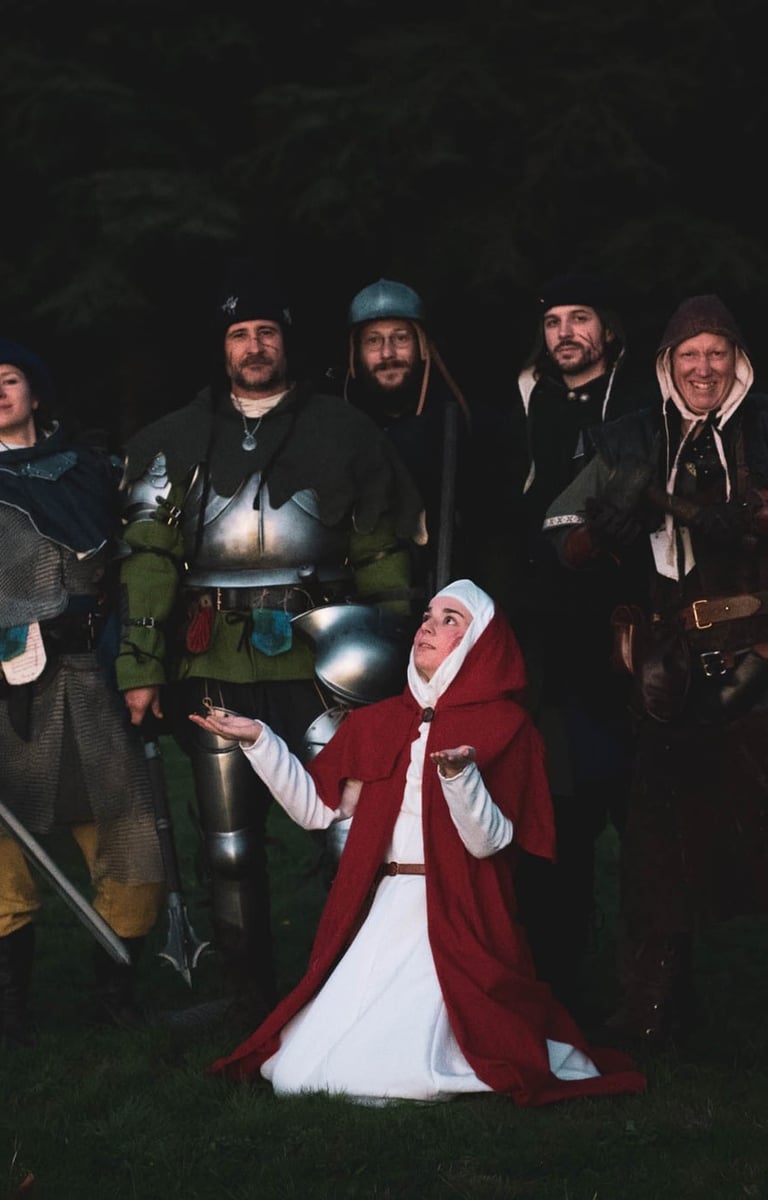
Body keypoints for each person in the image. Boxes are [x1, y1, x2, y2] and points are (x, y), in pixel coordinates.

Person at [190, 579, 645, 1105]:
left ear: (480, 645)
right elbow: (316, 810)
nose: (428, 626)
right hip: (384, 912)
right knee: (296, 1072)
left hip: (456, 914)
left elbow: (489, 843)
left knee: (377, 1069)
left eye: (451, 620)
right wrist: (260, 742)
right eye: (428, 615)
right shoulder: (379, 721)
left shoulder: (507, 727)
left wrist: (460, 778)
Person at [116, 268, 425, 1020]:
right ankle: (245, 997)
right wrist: (141, 666)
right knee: (229, 844)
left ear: (286, 342)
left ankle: (360, 990)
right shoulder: (174, 439)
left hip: (323, 653)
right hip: (213, 655)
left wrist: (400, 651)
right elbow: (149, 560)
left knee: (349, 828)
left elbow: (381, 551)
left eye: (266, 333)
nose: (254, 347)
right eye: (239, 335)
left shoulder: (343, 431)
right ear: (222, 348)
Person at [543, 293, 768, 1049]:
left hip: (761, 654)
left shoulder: (764, 428)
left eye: (717, 353)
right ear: (669, 364)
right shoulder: (634, 437)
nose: (704, 368)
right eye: (689, 354)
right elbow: (559, 532)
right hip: (668, 672)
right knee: (657, 848)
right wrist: (603, 530)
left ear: (737, 362)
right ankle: (652, 1010)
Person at [0, 340, 165, 1049]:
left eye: (8, 379)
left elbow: (137, 567)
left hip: (91, 677)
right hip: (4, 689)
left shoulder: (92, 470)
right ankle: (10, 1013)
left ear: (35, 393)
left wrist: (138, 662)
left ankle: (113, 996)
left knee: (131, 840)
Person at [510, 273, 649, 1019]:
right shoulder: (527, 402)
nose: (566, 332)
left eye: (581, 318)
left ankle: (653, 993)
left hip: (632, 636)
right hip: (552, 646)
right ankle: (557, 984)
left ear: (608, 328)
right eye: (554, 320)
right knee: (559, 816)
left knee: (643, 813)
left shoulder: (642, 405)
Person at [340, 278, 523, 614]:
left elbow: (499, 538)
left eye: (400, 338)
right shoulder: (338, 428)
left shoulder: (469, 424)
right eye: (373, 341)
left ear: (422, 345)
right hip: (366, 608)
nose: (387, 353)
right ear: (356, 352)